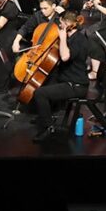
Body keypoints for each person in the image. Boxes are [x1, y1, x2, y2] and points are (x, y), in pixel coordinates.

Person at [31, 12, 91, 142]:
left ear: (67, 24)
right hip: (67, 79)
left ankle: (48, 128)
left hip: (76, 85)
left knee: (40, 93)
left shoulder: (79, 39)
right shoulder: (72, 37)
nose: (59, 26)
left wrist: (63, 38)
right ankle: (44, 116)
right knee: (45, 83)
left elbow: (65, 57)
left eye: (61, 23)